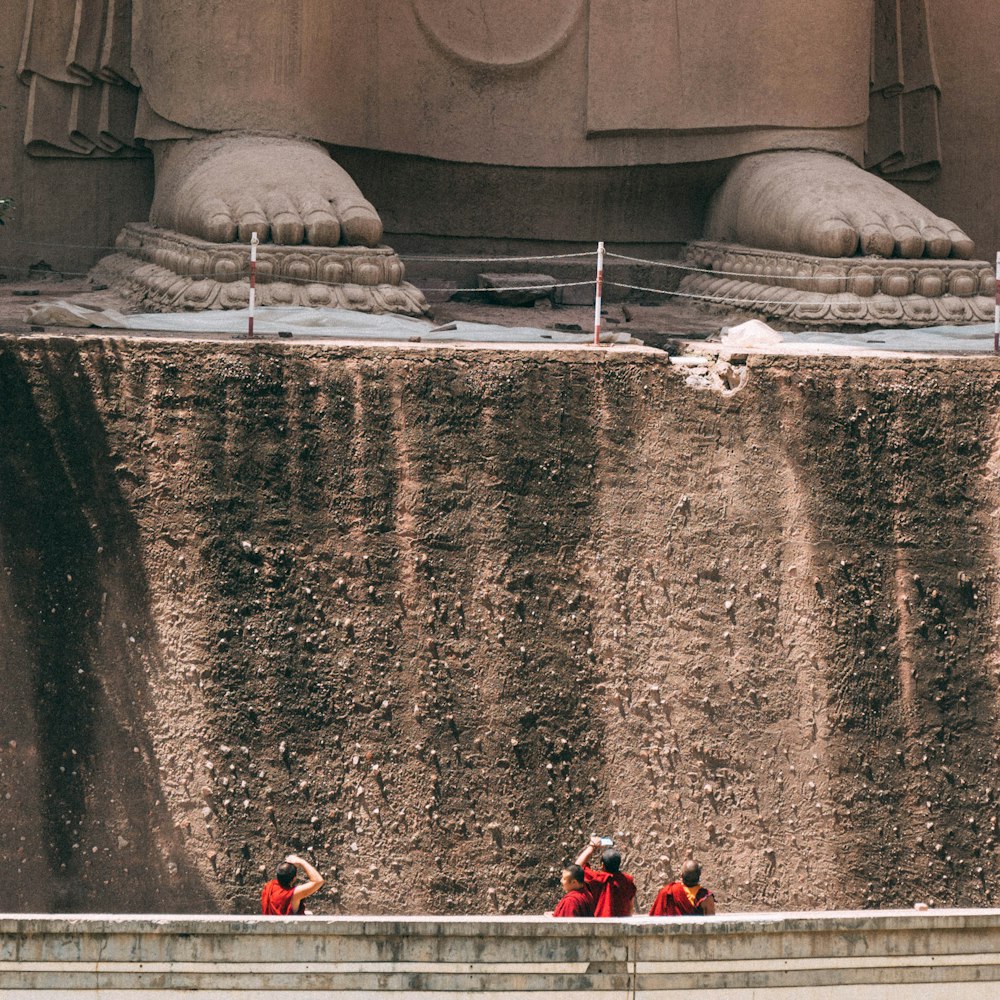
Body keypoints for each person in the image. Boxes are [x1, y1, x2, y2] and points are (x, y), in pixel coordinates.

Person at [575, 836, 636, 917]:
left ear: (602, 865)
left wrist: (591, 847)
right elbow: (630, 907)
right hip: (621, 925)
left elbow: (576, 868)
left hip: (600, 924)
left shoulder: (597, 879)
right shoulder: (627, 880)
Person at [260, 853, 325, 915]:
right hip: (287, 926)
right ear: (294, 878)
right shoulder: (293, 894)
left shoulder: (269, 885)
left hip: (270, 925)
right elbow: (318, 881)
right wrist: (301, 862)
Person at [648, 859, 716, 916]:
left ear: (681, 875)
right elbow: (712, 925)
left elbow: (655, 918)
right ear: (699, 875)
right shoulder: (706, 898)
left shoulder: (667, 892)